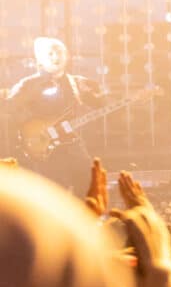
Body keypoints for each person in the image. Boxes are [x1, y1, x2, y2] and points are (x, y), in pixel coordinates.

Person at [4, 37, 105, 194]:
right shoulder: (28, 84)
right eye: (50, 53)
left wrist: (100, 95)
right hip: (44, 148)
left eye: (60, 52)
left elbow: (101, 105)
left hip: (72, 144)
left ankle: (84, 216)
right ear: (40, 59)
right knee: (55, 191)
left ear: (67, 56)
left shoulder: (77, 82)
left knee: (90, 184)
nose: (56, 57)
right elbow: (8, 110)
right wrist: (34, 128)